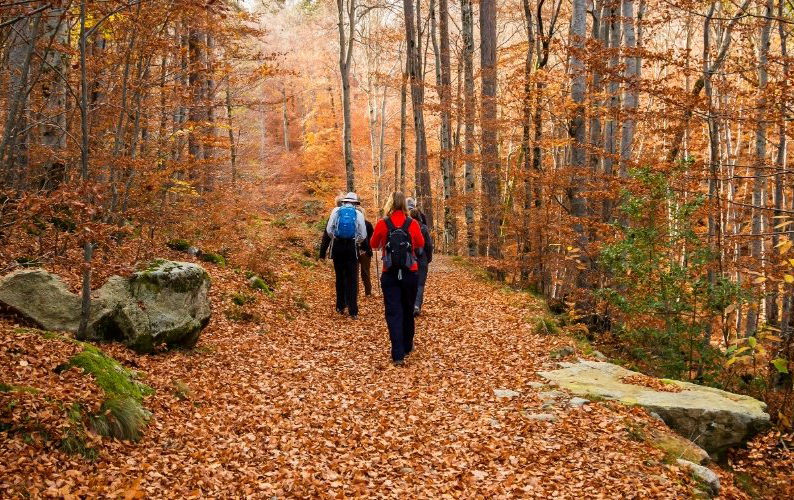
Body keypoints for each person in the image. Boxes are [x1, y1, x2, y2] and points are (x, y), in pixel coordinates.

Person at [370, 192, 425, 365]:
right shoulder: (413, 223)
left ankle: (398, 354)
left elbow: (373, 244)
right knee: (408, 309)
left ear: (389, 204)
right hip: (410, 272)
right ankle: (408, 345)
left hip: (390, 272)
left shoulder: (383, 223)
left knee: (393, 312)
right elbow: (421, 243)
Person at [326, 192, 367, 319]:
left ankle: (340, 306)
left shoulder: (336, 211)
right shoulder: (358, 214)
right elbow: (363, 234)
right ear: (355, 203)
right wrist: (356, 241)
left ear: (344, 201)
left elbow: (329, 230)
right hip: (351, 247)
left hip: (338, 247)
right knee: (352, 278)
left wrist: (336, 238)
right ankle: (353, 310)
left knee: (339, 277)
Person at [407, 200, 433, 316]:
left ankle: (409, 304)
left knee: (409, 282)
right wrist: (428, 258)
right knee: (420, 284)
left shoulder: (406, 226)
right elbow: (428, 245)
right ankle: (416, 305)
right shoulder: (423, 227)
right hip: (422, 258)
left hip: (409, 258)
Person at [357, 207, 375, 297]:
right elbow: (373, 238)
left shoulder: (353, 224)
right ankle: (368, 292)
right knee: (366, 272)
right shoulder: (368, 224)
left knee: (354, 273)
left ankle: (355, 293)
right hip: (366, 251)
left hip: (355, 251)